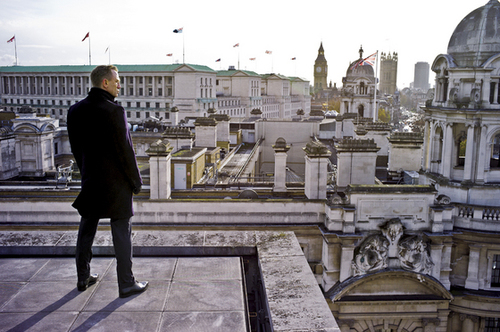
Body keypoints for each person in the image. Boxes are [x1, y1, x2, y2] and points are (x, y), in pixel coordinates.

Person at [67, 65, 148, 298]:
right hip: (117, 184)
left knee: (87, 228)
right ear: (105, 83)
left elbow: (76, 149)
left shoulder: (74, 111)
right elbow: (126, 151)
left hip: (91, 180)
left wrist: (87, 173)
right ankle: (126, 283)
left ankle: (83, 277)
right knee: (121, 230)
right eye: (117, 81)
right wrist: (136, 181)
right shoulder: (115, 111)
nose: (119, 85)